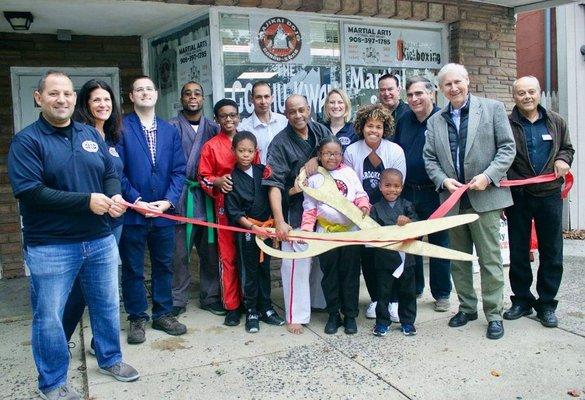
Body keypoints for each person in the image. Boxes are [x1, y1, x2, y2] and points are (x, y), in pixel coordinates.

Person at [8, 71, 138, 400]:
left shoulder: (87, 134)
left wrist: (113, 198)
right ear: (39, 98)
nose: (62, 100)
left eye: (67, 93)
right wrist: (87, 202)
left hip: (99, 239)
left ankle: (111, 358)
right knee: (50, 316)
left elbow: (110, 172)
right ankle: (52, 382)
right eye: (54, 94)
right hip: (51, 246)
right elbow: (29, 191)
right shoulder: (27, 141)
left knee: (107, 305)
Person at [423, 63, 516, 340]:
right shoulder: (435, 120)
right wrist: (442, 180)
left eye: (457, 82)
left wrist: (488, 176)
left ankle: (495, 313)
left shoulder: (492, 109)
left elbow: (507, 148)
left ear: (468, 80)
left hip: (485, 197)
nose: (453, 88)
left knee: (490, 259)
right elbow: (430, 158)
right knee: (459, 260)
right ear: (441, 89)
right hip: (453, 200)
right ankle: (466, 307)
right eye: (447, 85)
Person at [118, 75, 187, 344]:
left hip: (163, 213)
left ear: (156, 94)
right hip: (133, 213)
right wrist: (135, 200)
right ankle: (137, 318)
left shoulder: (169, 130)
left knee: (163, 265)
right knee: (133, 268)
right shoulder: (122, 128)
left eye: (149, 89)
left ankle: (163, 314)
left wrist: (168, 201)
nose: (145, 93)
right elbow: (117, 171)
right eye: (139, 90)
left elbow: (179, 171)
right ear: (131, 97)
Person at [503, 76, 574, 328]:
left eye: (531, 92)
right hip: (518, 196)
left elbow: (567, 148)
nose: (527, 97)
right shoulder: (505, 123)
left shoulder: (556, 121)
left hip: (549, 195)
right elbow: (499, 154)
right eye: (521, 93)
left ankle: (546, 303)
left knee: (552, 251)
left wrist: (563, 159)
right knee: (519, 251)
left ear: (539, 93)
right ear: (514, 97)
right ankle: (521, 300)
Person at [62, 79, 125, 354]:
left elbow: (115, 178)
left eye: (107, 100)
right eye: (97, 100)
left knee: (103, 288)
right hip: (90, 222)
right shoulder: (81, 135)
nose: (103, 105)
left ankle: (100, 342)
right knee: (83, 287)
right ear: (85, 104)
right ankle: (61, 337)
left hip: (114, 221)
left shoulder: (110, 138)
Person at [263, 94, 333, 334]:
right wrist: (280, 221)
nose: (298, 116)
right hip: (295, 210)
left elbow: (334, 154)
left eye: (302, 110)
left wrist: (315, 157)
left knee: (321, 263)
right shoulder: (280, 143)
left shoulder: (320, 130)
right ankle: (295, 314)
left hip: (324, 208)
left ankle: (318, 303)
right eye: (292, 112)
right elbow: (273, 185)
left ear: (310, 109)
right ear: (286, 114)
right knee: (296, 265)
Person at [393, 76, 452, 311]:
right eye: (410, 95)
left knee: (439, 244)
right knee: (411, 243)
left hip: (435, 192)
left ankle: (442, 294)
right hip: (408, 191)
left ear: (432, 94)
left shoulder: (442, 119)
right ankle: (415, 287)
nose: (414, 99)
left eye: (419, 94)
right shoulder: (404, 119)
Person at [199, 99, 259, 326]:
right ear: (216, 119)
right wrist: (216, 181)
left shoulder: (247, 141)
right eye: (223, 115)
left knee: (252, 258)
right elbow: (203, 176)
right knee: (229, 258)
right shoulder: (211, 146)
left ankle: (252, 303)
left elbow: (260, 171)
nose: (229, 119)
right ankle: (232, 305)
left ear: (239, 117)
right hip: (225, 211)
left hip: (251, 212)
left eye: (233, 115)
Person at [301, 136, 370, 335]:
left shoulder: (348, 172)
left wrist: (363, 205)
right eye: (327, 153)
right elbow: (309, 207)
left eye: (336, 153)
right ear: (319, 156)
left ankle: (350, 315)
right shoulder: (313, 178)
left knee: (350, 275)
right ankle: (333, 314)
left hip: (350, 233)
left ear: (342, 155)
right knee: (329, 275)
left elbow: (359, 193)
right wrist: (307, 230)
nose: (332, 157)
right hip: (326, 234)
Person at [343, 103, 406, 322]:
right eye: (370, 125)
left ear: (385, 128)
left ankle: (395, 301)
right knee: (369, 258)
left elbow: (399, 184)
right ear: (362, 126)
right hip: (364, 214)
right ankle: (377, 299)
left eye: (379, 126)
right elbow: (349, 185)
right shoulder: (351, 151)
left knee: (392, 257)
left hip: (389, 213)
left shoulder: (395, 151)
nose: (374, 131)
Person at [169, 81, 223, 317]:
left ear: (203, 99)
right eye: (187, 94)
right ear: (181, 99)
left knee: (210, 251)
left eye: (197, 93)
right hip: (183, 196)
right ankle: (177, 299)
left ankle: (210, 296)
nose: (192, 97)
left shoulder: (214, 127)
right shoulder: (170, 127)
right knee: (179, 254)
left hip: (208, 195)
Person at [225, 131, 285, 333]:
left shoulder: (263, 171)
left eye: (249, 151)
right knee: (249, 269)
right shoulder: (231, 178)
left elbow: (274, 193)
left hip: (266, 228)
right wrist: (252, 227)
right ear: (233, 151)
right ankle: (251, 309)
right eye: (241, 150)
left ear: (256, 152)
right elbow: (233, 212)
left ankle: (266, 308)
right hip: (248, 230)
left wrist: (272, 223)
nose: (245, 155)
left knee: (264, 268)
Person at [370, 168, 418, 337]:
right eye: (388, 185)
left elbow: (418, 227)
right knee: (383, 292)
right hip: (384, 259)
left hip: (406, 258)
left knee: (408, 292)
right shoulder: (375, 209)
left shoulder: (407, 205)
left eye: (396, 186)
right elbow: (372, 233)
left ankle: (408, 322)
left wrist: (409, 222)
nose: (392, 189)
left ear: (402, 187)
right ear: (380, 186)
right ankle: (382, 322)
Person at [239, 81, 288, 164]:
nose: (263, 101)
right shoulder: (243, 128)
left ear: (272, 98)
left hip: (285, 174)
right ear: (252, 99)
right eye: (258, 97)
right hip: (258, 175)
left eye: (266, 96)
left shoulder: (284, 122)